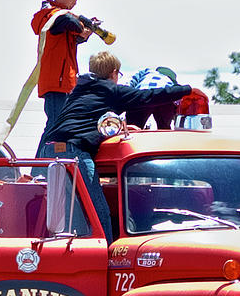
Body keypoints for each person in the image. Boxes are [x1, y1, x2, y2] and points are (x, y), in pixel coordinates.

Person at [37, 52, 192, 242]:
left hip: (50, 149)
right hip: (74, 152)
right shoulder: (111, 91)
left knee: (70, 211)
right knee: (97, 209)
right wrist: (186, 89)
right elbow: (148, 96)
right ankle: (107, 254)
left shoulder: (78, 91)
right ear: (114, 73)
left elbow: (86, 117)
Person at [31, 0, 93, 142]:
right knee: (54, 125)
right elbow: (66, 21)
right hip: (56, 82)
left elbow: (70, 35)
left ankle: (47, 164)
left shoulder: (60, 18)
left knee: (59, 125)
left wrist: (83, 34)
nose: (75, 3)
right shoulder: (50, 14)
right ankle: (40, 166)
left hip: (65, 81)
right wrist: (82, 26)